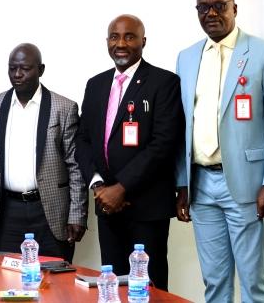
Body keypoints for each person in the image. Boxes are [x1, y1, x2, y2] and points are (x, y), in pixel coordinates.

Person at [175, 0, 264, 303]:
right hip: (200, 182)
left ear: (234, 9)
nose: (211, 13)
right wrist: (182, 182)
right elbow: (183, 123)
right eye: (203, 8)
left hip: (246, 183)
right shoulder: (186, 58)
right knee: (214, 281)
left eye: (219, 6)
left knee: (254, 281)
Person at [75, 15, 183, 290]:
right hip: (106, 207)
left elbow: (163, 143)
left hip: (146, 207)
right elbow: (84, 140)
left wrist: (121, 188)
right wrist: (99, 185)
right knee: (113, 286)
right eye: (114, 36)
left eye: (129, 36)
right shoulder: (95, 84)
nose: (121, 43)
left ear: (143, 41)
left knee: (149, 286)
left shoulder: (164, 82)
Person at [0, 43, 86, 262]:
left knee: (55, 283)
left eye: (25, 68)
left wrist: (77, 214)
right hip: (6, 212)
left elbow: (75, 166)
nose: (17, 74)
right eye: (12, 68)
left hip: (50, 211)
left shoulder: (64, 108)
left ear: (40, 70)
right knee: (7, 280)